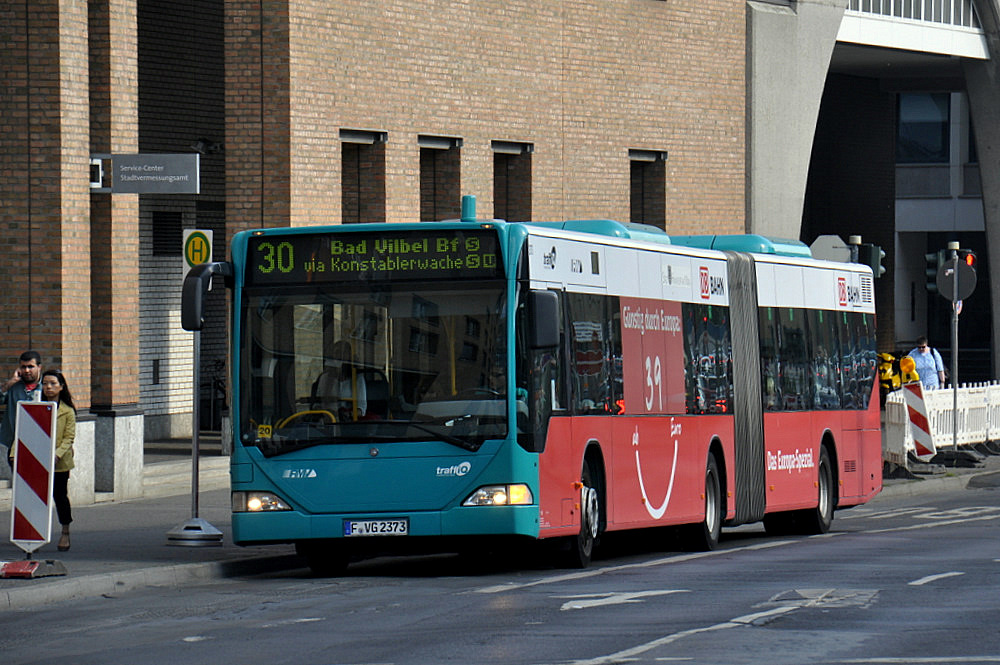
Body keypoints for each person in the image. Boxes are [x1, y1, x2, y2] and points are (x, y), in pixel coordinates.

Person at [42, 369, 76, 552]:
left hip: (59, 464)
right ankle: (34, 533)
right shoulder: (35, 408)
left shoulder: (67, 411)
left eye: (53, 383)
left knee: (60, 496)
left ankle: (65, 531)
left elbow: (68, 438)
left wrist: (57, 454)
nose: (48, 387)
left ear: (61, 387)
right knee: (37, 497)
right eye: (45, 383)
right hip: (37, 461)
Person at [0, 350, 43, 471]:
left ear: (39, 367)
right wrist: (10, 383)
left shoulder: (47, 386)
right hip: (16, 442)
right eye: (23, 367)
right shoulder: (14, 386)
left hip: (40, 441)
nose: (27, 370)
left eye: (31, 366)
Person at [313, 340, 367, 421]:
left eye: (344, 353)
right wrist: (324, 413)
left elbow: (361, 408)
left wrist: (347, 415)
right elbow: (317, 404)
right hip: (327, 420)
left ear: (349, 356)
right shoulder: (324, 378)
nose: (340, 356)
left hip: (348, 422)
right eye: (337, 352)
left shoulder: (357, 378)